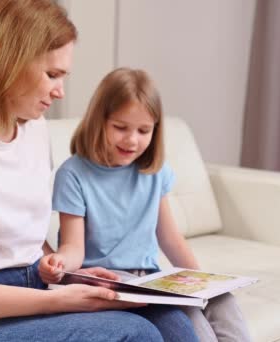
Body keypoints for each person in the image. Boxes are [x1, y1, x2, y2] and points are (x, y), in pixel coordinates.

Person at [0, 1, 199, 341]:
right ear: (7, 63)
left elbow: (22, 238)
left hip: (30, 282)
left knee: (172, 321)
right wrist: (56, 302)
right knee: (134, 334)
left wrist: (68, 276)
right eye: (52, 74)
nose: (60, 91)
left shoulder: (34, 129)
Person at [39, 67, 252, 342]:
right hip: (109, 279)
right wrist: (59, 263)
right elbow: (74, 248)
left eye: (144, 130)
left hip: (151, 278)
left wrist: (201, 283)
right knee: (191, 323)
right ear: (98, 121)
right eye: (120, 127)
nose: (132, 140)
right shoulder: (74, 174)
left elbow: (170, 238)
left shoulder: (154, 171)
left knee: (223, 301)